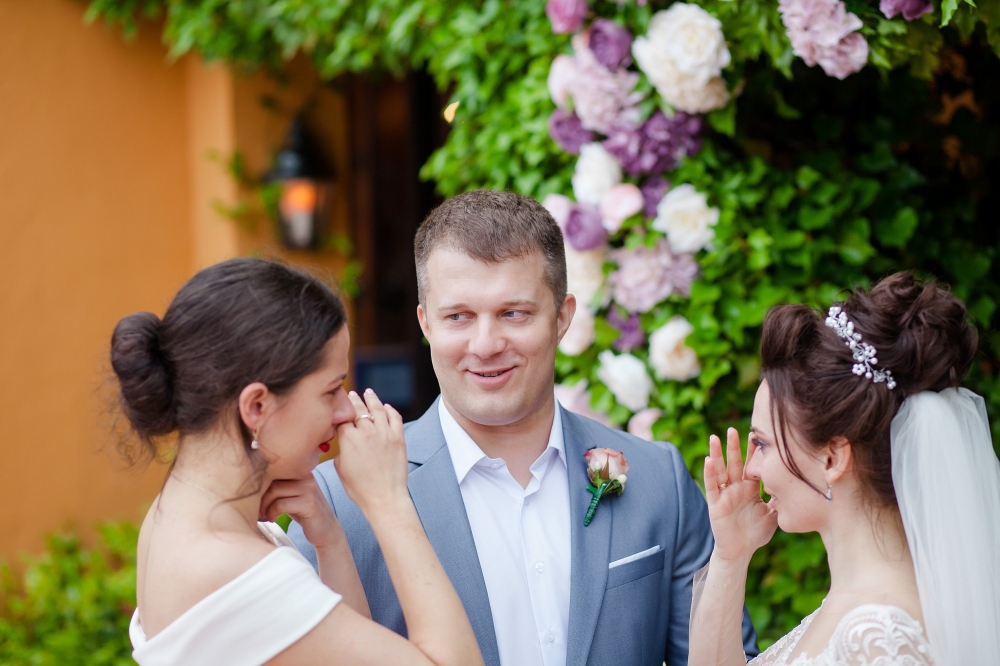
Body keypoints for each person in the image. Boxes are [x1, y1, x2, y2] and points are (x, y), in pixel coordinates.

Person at [289, 190, 759, 666]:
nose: (486, 344)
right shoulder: (337, 503)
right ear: (426, 323)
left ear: (563, 317)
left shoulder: (661, 481)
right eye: (458, 316)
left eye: (513, 313)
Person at [111, 258, 484, 666]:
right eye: (331, 390)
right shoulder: (232, 567)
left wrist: (330, 539)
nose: (346, 410)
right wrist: (389, 501)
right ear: (257, 406)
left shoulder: (177, 517)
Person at [689, 272, 1000, 665]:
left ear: (832, 459)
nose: (750, 470)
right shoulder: (849, 610)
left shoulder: (878, 639)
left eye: (763, 444)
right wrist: (731, 556)